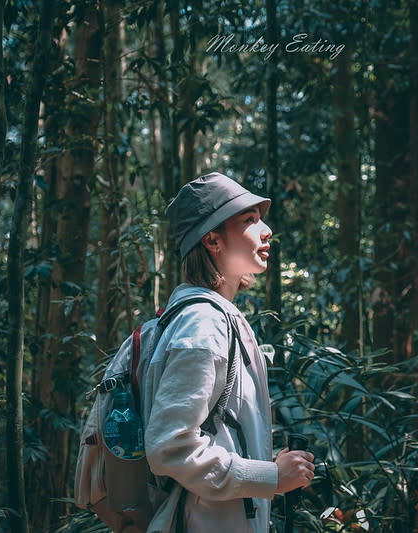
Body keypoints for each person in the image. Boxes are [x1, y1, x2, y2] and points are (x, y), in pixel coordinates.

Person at [138, 172, 315, 533]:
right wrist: (271, 476)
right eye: (249, 220)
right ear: (212, 240)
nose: (266, 230)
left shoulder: (209, 317)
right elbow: (171, 448)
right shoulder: (203, 324)